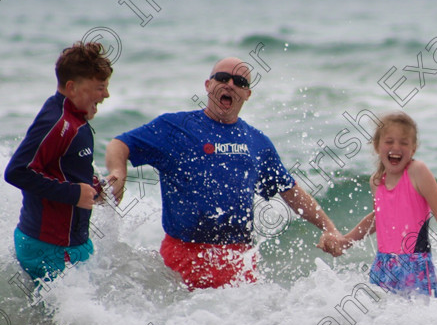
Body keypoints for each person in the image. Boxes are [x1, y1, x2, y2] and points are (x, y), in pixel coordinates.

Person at [105, 57, 344, 289]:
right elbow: (120, 143)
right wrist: (118, 172)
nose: (230, 84)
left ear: (247, 94)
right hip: (182, 257)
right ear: (208, 85)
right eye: (222, 78)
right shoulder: (174, 127)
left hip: (239, 260)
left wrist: (328, 228)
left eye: (240, 82)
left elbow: (290, 191)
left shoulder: (256, 141)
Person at [325, 111, 437, 297]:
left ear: (413, 149)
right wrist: (346, 241)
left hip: (416, 264)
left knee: (419, 322)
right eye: (389, 141)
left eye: (404, 143)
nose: (396, 147)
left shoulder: (418, 172)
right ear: (377, 146)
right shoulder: (376, 181)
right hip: (383, 265)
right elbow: (378, 217)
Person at [5, 41, 113, 283]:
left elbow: (63, 169)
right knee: (67, 321)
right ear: (72, 87)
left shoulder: (75, 119)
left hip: (70, 246)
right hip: (48, 247)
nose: (106, 94)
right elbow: (17, 172)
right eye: (100, 87)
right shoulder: (57, 122)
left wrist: (96, 187)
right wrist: (73, 194)